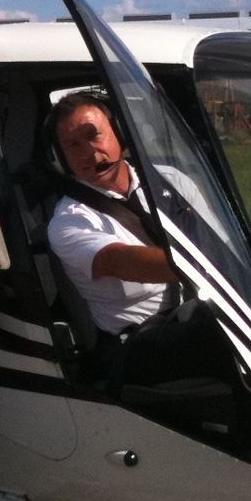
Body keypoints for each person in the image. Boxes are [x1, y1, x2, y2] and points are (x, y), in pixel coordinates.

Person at [44, 89, 224, 386]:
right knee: (219, 334)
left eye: (93, 135)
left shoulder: (170, 180)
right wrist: (213, 261)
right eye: (72, 145)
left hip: (198, 311)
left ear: (120, 133)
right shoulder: (69, 221)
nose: (88, 152)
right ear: (61, 158)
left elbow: (220, 243)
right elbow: (124, 263)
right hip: (136, 344)